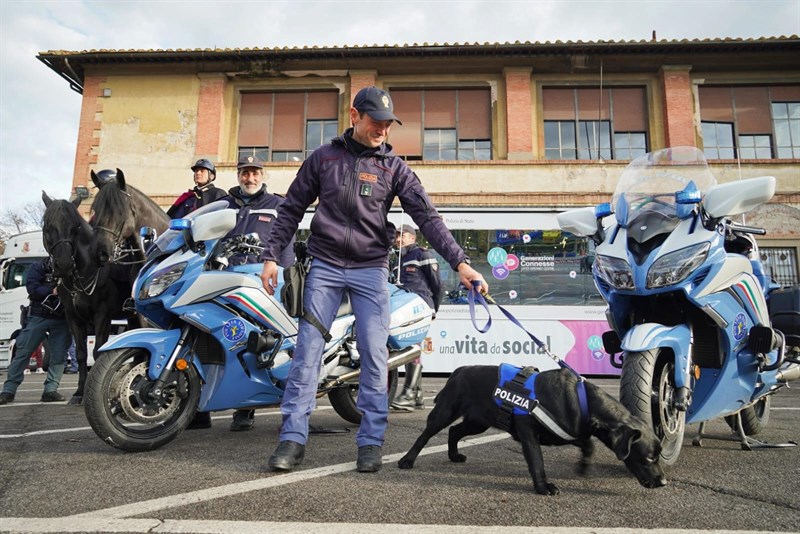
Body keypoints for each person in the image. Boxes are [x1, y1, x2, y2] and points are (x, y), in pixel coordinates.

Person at [259, 85, 488, 474]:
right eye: (375, 122)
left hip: (370, 270)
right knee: (307, 354)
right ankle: (292, 440)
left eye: (387, 124)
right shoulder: (323, 158)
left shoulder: (394, 168)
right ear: (354, 116)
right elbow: (291, 208)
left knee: (374, 356)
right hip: (325, 267)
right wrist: (270, 257)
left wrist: (461, 264)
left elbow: (428, 218)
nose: (383, 130)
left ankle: (370, 441)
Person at [188, 154, 294, 431]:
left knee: (253, 342)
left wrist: (286, 275)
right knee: (207, 337)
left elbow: (286, 243)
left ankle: (245, 408)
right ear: (238, 175)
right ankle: (199, 408)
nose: (250, 178)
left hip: (261, 280)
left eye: (255, 173)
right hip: (222, 278)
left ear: (263, 175)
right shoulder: (222, 205)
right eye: (245, 173)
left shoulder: (277, 205)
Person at [0, 257, 70, 405]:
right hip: (38, 315)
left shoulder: (72, 266)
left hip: (62, 318)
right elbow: (32, 288)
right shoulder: (39, 266)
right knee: (23, 352)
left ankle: (50, 390)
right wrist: (52, 290)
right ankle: (8, 391)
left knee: (59, 356)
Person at [390, 224, 442, 411]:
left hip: (420, 307)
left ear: (412, 237)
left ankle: (410, 393)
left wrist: (434, 308)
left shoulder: (422, 254)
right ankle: (417, 395)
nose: (398, 239)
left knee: (412, 346)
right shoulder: (396, 257)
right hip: (402, 309)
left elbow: (437, 285)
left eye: (402, 235)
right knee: (410, 347)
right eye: (396, 235)